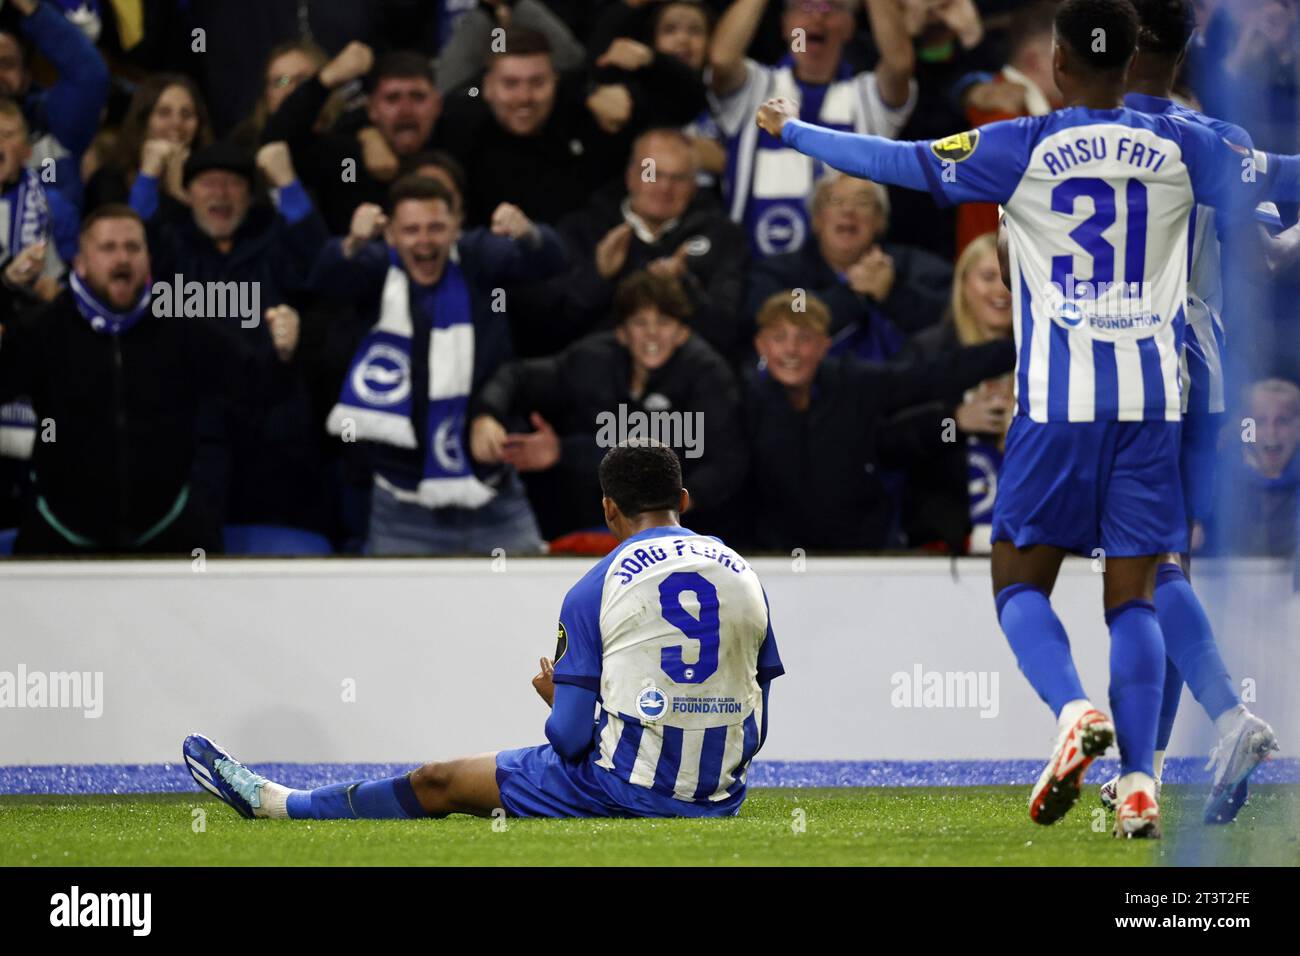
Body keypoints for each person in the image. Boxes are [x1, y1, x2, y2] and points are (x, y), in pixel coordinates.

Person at [756, 0, 1300, 837]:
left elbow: (897, 160)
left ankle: (1073, 708)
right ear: (1132, 62)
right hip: (1156, 400)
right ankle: (1144, 781)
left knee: (1016, 577)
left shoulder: (1025, 143)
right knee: (1138, 595)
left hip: (1058, 403)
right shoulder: (1190, 145)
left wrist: (795, 133)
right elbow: (1282, 175)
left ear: (1056, 64)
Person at [182, 442, 784, 822]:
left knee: (437, 781)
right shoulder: (744, 574)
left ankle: (278, 805)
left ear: (606, 510)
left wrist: (563, 705)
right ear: (684, 499)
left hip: (624, 790)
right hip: (719, 798)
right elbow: (756, 728)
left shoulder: (594, 588)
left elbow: (570, 740)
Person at [1091, 0, 1279, 826]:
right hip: (1204, 372)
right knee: (1170, 566)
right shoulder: (1223, 142)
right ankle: (1151, 769)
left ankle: (1230, 719)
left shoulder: (1065, 138)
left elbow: (1003, 257)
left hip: (1114, 371)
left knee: (1142, 570)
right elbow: (1269, 254)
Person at [313, 175, 567, 556]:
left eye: (436, 228)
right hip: (401, 506)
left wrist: (528, 232)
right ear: (392, 235)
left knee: (529, 611)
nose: (425, 241)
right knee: (392, 617)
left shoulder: (478, 257)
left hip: (493, 498)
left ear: (456, 229)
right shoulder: (376, 266)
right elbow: (323, 279)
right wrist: (352, 241)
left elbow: (551, 260)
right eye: (411, 230)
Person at [0, 205, 259, 555]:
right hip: (59, 534)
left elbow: (258, 386)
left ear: (148, 260)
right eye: (108, 248)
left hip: (171, 530)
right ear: (81, 263)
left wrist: (285, 353)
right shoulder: (44, 329)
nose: (122, 258)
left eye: (133, 248)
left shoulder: (182, 325)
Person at [470, 270, 746, 543]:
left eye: (663, 322)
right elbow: (518, 377)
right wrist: (487, 415)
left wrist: (665, 514)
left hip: (687, 533)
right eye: (640, 322)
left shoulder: (708, 374)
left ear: (681, 332)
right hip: (589, 524)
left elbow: (726, 463)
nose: (652, 335)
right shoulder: (593, 359)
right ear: (622, 332)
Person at [743, 289, 1013, 552]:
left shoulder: (855, 383)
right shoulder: (743, 400)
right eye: (779, 338)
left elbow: (931, 376)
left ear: (825, 344)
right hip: (770, 560)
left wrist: (1020, 346)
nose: (791, 350)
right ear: (761, 345)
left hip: (861, 559)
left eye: (804, 339)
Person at [708, 0, 915, 256]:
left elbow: (899, 64)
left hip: (846, 275)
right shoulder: (755, 89)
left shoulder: (866, 97)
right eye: (804, 7)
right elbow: (721, 58)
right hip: (758, 272)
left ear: (850, 27)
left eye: (832, 8)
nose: (817, 18)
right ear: (785, 25)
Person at [546, 127, 750, 359]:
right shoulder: (583, 230)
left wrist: (684, 288)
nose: (664, 187)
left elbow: (726, 334)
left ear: (694, 185)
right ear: (630, 176)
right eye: (652, 173)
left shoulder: (723, 237)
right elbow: (552, 329)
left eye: (678, 178)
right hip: (595, 376)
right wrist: (598, 277)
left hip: (688, 381)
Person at [746, 172, 952, 363]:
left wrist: (893, 292)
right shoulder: (781, 273)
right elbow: (778, 314)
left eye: (862, 202)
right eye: (836, 201)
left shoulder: (916, 266)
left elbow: (956, 315)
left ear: (880, 220)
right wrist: (853, 294)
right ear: (816, 219)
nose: (848, 210)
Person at [898, 231, 1013, 553]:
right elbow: (887, 439)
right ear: (963, 284)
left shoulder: (1046, 356)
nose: (1001, 290)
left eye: (1010, 279)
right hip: (941, 543)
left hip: (1031, 543)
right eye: (988, 277)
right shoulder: (929, 352)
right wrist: (954, 422)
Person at [264, 45, 440, 235]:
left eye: (417, 97)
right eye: (392, 98)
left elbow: (468, 94)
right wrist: (324, 81)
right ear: (371, 108)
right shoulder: (346, 157)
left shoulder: (457, 135)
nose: (406, 110)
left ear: (438, 103)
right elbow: (277, 142)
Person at [83, 73, 214, 214]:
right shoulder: (109, 180)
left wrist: (176, 191)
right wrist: (147, 177)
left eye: (187, 114)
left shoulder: (214, 177)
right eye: (164, 113)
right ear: (143, 122)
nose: (177, 123)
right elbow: (130, 233)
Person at [1206, 377, 1300, 558]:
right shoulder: (1215, 481)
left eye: (1282, 421)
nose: (1271, 433)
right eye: (1260, 421)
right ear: (1244, 427)